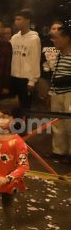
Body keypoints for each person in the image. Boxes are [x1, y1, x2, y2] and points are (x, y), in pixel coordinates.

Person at [49, 19, 71, 163]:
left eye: (56, 38)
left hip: (69, 93)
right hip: (57, 92)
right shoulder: (59, 55)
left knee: (70, 124)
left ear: (66, 38)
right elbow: (55, 74)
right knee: (57, 123)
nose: (53, 41)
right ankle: (59, 151)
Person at [10, 9, 41, 108]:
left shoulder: (34, 38)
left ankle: (23, 123)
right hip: (13, 77)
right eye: (15, 19)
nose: (16, 22)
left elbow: (35, 60)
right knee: (11, 107)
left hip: (25, 79)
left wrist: (32, 81)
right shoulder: (14, 38)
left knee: (24, 107)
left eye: (19, 19)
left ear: (27, 20)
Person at [36, 20, 63, 111]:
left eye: (59, 28)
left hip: (60, 79)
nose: (56, 30)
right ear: (50, 30)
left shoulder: (66, 42)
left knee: (59, 104)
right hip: (44, 78)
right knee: (44, 103)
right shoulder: (43, 42)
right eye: (53, 28)